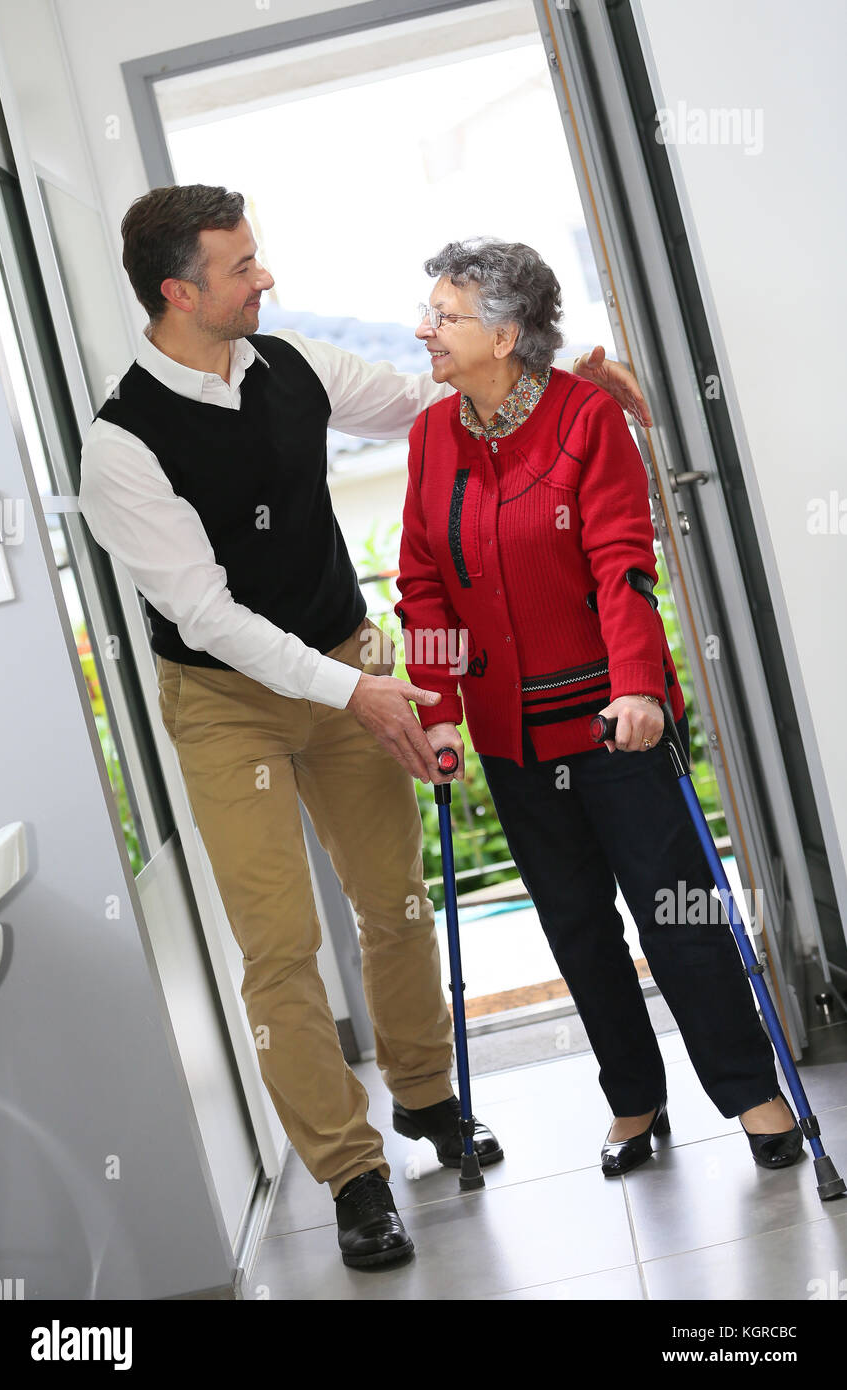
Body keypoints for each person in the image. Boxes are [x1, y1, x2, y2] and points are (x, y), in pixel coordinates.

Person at [77, 186, 651, 1269]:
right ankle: (351, 1172)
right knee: (281, 949)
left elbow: (427, 399)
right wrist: (359, 690)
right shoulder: (121, 449)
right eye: (242, 266)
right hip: (226, 702)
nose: (266, 278)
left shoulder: (289, 368)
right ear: (178, 291)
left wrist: (554, 382)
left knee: (393, 902)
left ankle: (428, 1101)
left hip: (346, 662)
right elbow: (205, 614)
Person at [394, 236, 803, 1179]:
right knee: (575, 923)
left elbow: (621, 561)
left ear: (505, 334)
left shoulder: (585, 420)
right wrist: (445, 709)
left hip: (614, 720)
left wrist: (636, 686)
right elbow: (422, 586)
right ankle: (635, 1100)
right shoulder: (430, 438)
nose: (427, 330)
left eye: (444, 316)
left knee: (678, 910)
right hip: (510, 735)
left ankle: (751, 1093)